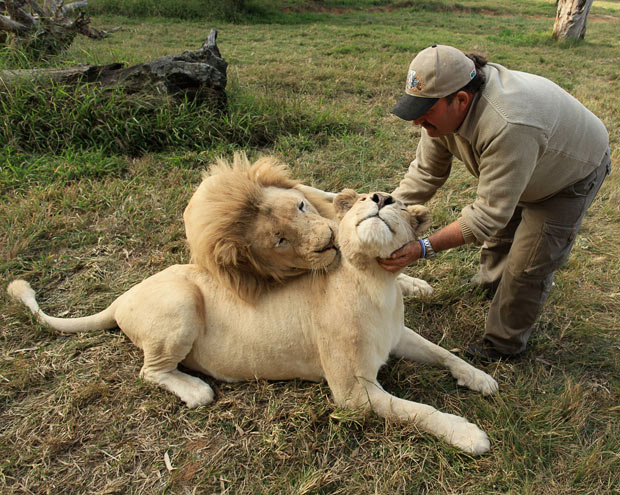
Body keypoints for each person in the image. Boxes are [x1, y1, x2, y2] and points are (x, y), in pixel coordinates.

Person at [380, 44, 611, 362]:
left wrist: (422, 248)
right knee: (502, 237)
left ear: (460, 100)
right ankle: (489, 284)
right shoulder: (440, 111)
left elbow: (486, 216)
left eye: (425, 111)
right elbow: (425, 174)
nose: (416, 122)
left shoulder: (510, 124)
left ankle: (503, 345)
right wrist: (384, 211)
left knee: (527, 265)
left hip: (570, 173)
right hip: (526, 162)